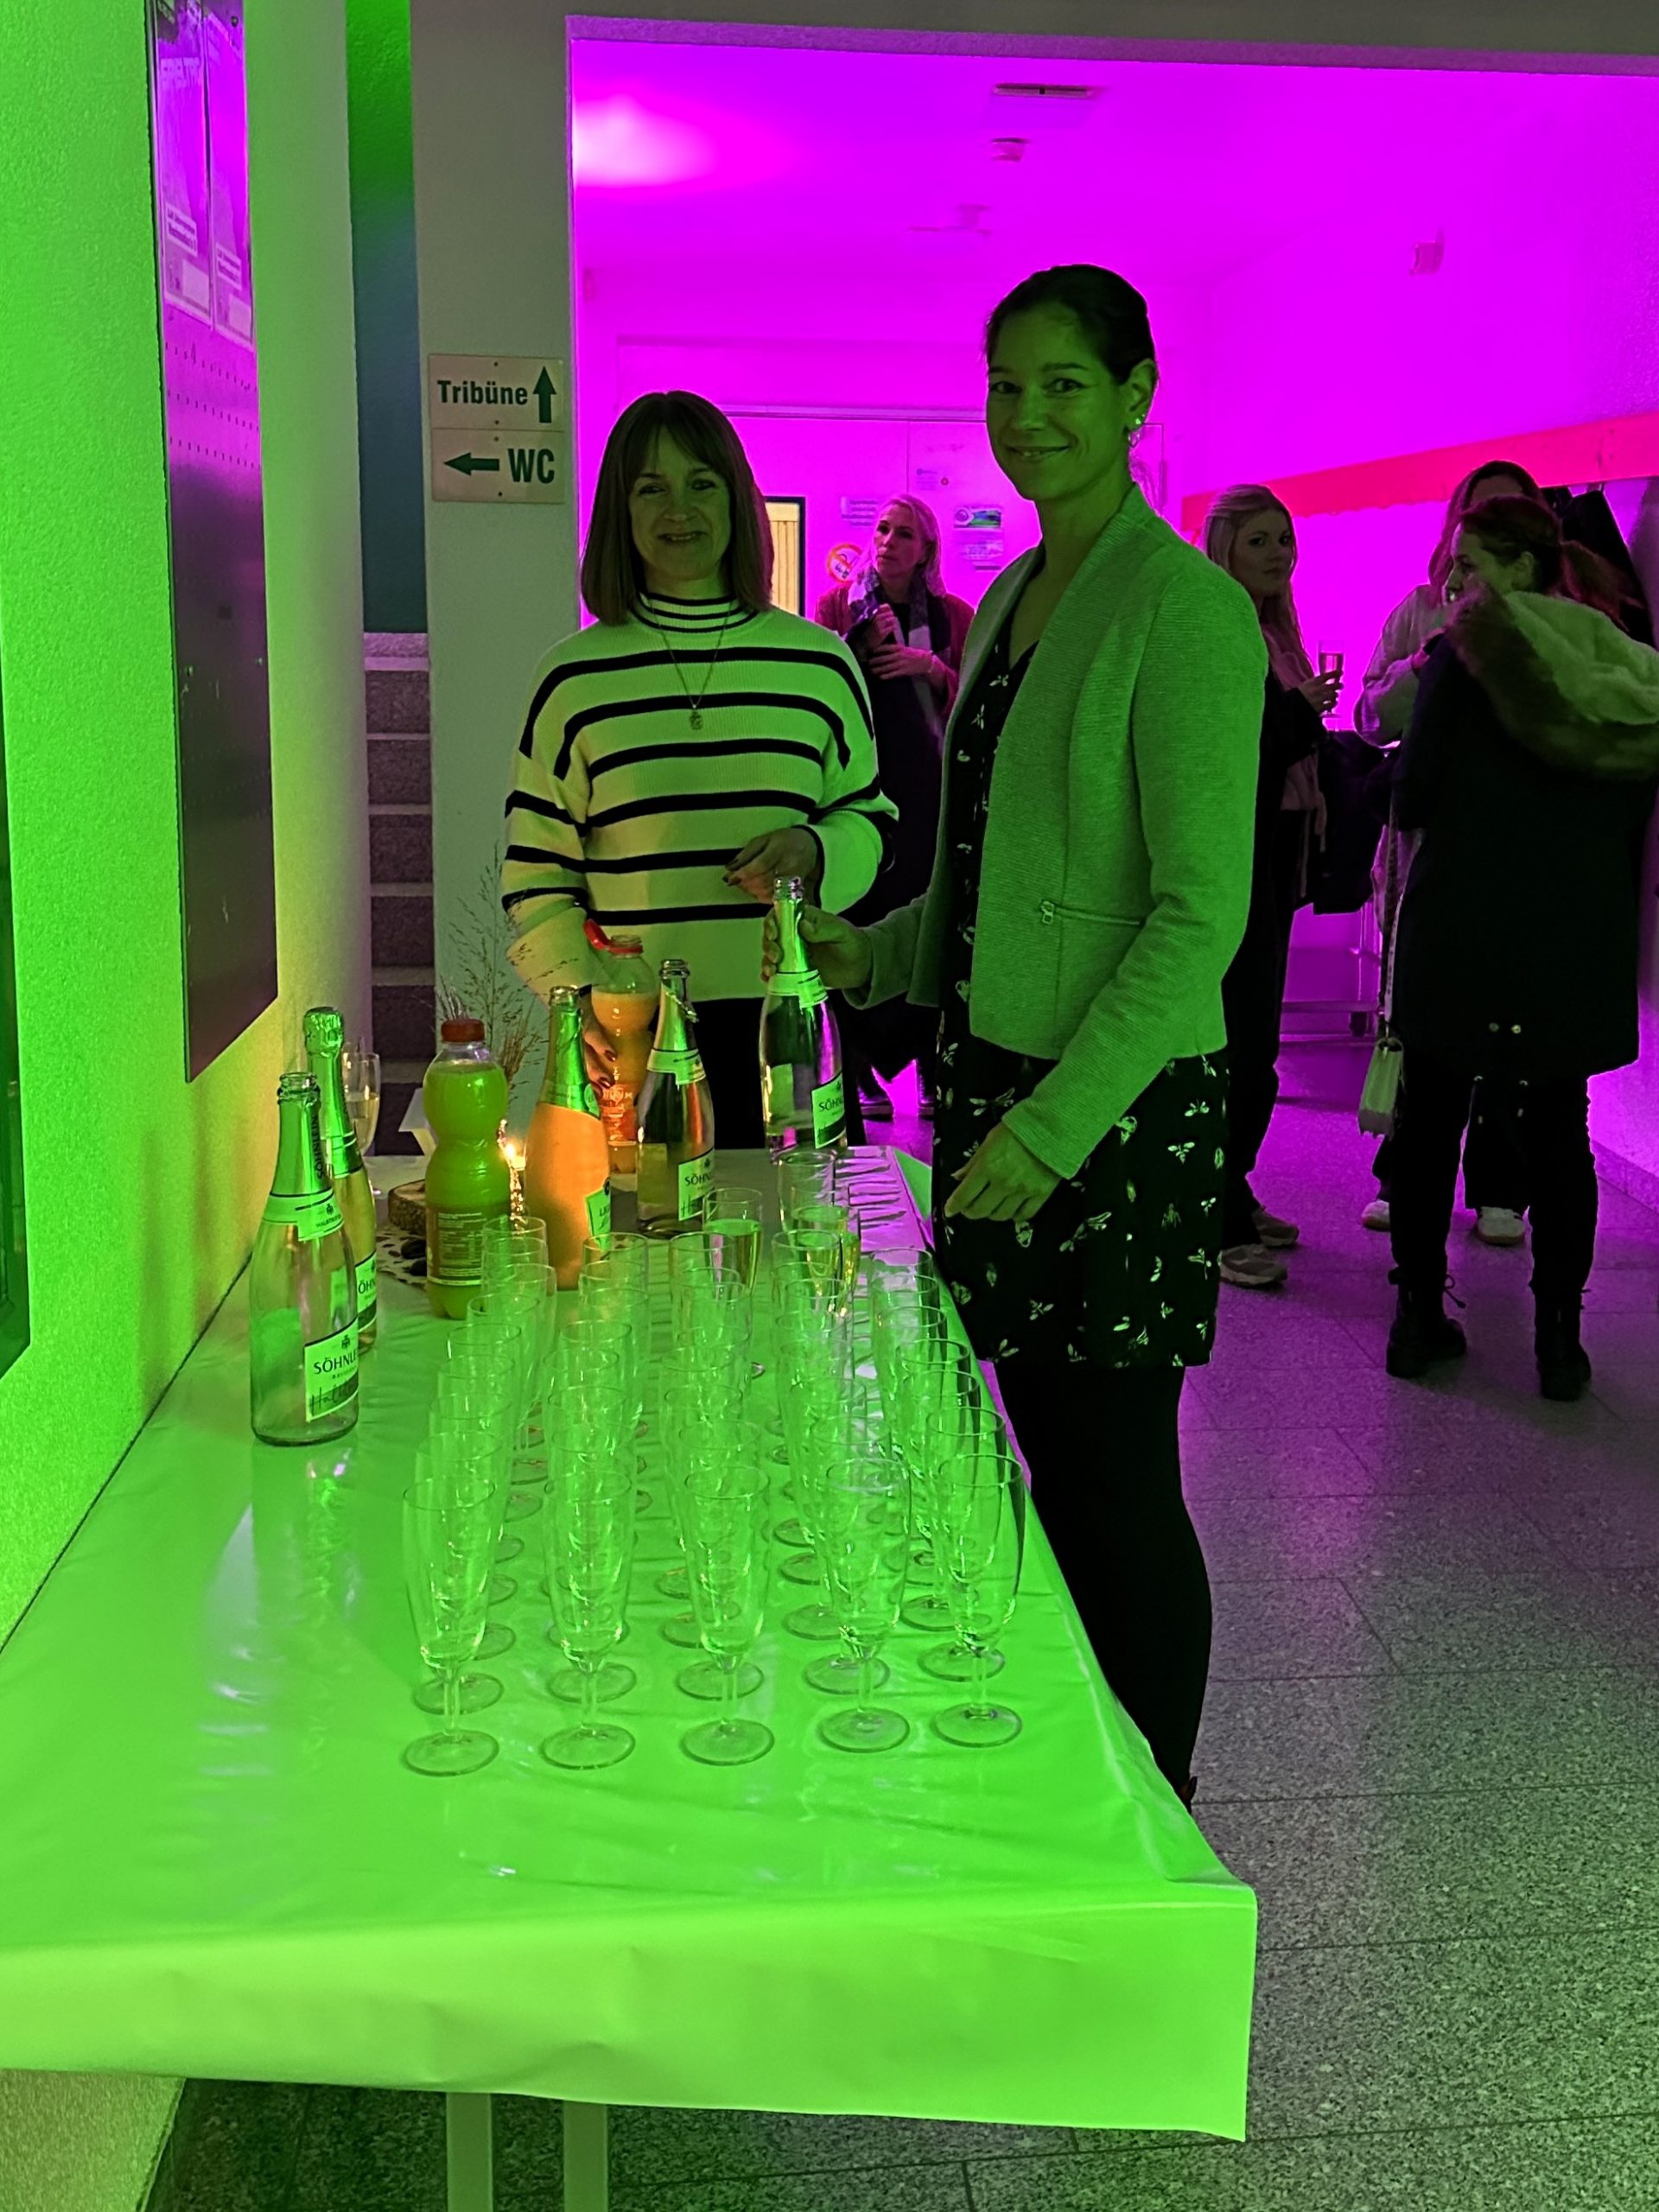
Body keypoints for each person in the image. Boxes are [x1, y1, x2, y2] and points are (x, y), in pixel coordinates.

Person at [779, 264, 1266, 1802]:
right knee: (1044, 1447)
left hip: (1111, 1111)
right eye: (1007, 385)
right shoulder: (1009, 603)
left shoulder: (1184, 610)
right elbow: (992, 875)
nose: (1030, 414)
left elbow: (1197, 917)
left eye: (1065, 383)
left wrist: (1052, 1132)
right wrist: (877, 951)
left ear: (1135, 396)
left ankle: (1157, 1807)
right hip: (1000, 1082)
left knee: (1116, 1473)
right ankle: (1080, 1771)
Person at [501, 391, 895, 1145]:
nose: (678, 510)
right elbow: (534, 873)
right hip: (634, 1039)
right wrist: (577, 999)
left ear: (737, 499)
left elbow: (872, 822)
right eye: (650, 488)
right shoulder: (572, 680)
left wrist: (817, 850)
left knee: (799, 1219)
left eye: (701, 483)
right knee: (642, 1224)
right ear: (619, 511)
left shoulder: (819, 664)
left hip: (791, 1028)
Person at [1383, 495, 1659, 1399]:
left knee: (1431, 1118)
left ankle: (1416, 1318)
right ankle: (1559, 1342)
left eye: (1471, 563)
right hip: (1575, 927)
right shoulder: (1622, 660)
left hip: (1464, 916)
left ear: (1521, 567)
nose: (1457, 581)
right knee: (1560, 1129)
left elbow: (1413, 791)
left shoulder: (1469, 653)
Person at [1357, 460, 1547, 1247]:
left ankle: (1501, 1183)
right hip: (1426, 849)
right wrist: (1424, 664)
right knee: (1419, 1017)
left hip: (1520, 856)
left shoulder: (1561, 626)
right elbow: (1371, 715)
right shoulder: (1419, 610)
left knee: (1510, 1022)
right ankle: (1402, 1177)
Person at [1199, 486, 1339, 1289]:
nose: (1278, 554)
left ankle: (1235, 1191)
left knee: (1258, 1042)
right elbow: (1231, 747)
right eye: (1259, 541)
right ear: (1225, 548)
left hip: (1277, 853)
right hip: (1235, 852)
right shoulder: (1218, 629)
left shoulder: (1278, 629)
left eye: (1284, 539)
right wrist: (1300, 714)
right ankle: (1216, 1217)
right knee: (1237, 1042)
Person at [815, 499, 973, 1123]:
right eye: (882, 529)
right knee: (862, 911)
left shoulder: (953, 615)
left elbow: (976, 696)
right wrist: (859, 644)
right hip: (864, 787)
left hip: (930, 790)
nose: (888, 542)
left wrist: (928, 667)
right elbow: (824, 681)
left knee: (929, 915)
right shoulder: (838, 605)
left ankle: (931, 1061)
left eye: (905, 533)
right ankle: (857, 1068)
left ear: (927, 548)